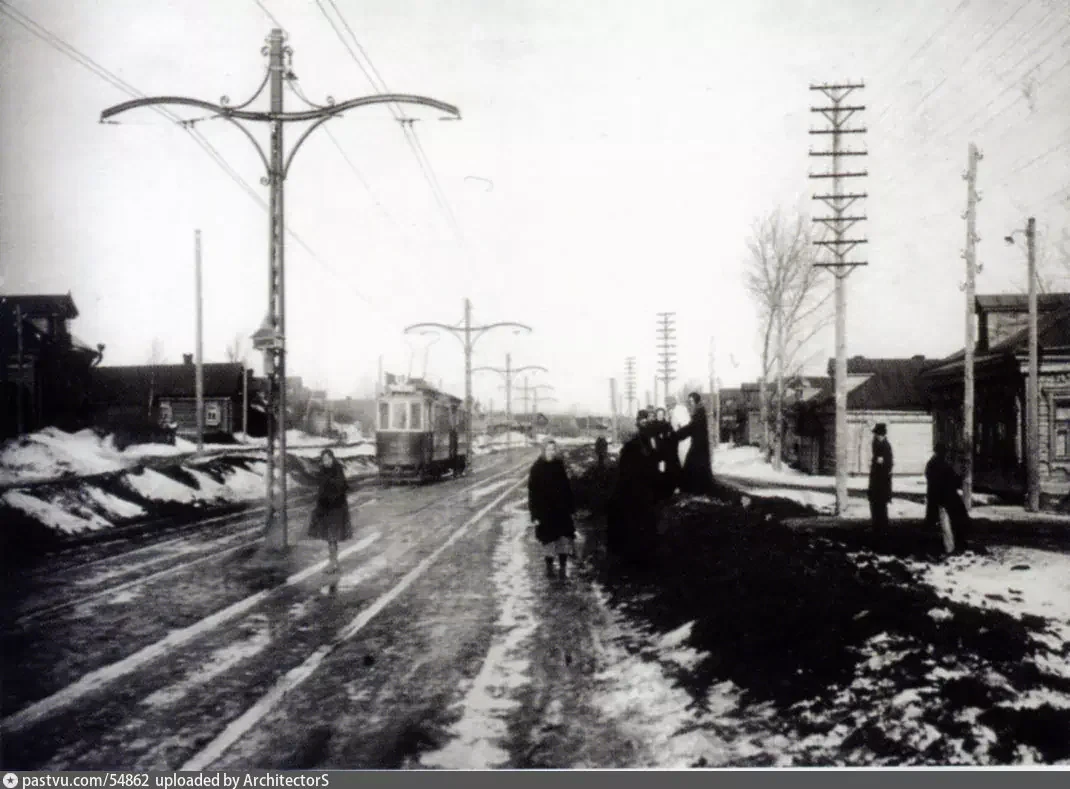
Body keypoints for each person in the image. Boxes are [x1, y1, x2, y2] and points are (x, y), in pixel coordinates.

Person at [607, 411, 660, 565]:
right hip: (634, 489)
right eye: (642, 422)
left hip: (644, 488)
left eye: (646, 422)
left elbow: (654, 461)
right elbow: (625, 469)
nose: (644, 424)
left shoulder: (650, 441)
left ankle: (641, 555)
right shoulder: (633, 445)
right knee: (636, 522)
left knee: (642, 522)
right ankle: (635, 556)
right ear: (638, 424)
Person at [528, 439, 577, 579]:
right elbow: (532, 493)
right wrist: (535, 515)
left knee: (563, 539)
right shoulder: (536, 468)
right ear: (543, 450)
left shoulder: (558, 465)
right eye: (548, 449)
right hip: (545, 512)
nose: (551, 452)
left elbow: (566, 487)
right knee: (548, 540)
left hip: (561, 510)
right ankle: (549, 568)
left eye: (553, 449)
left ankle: (563, 567)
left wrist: (571, 507)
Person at [307, 449, 354, 573]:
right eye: (324, 460)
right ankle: (334, 562)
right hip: (326, 509)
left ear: (332, 458)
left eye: (328, 459)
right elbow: (321, 489)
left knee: (332, 537)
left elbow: (341, 488)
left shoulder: (337, 470)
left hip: (336, 509)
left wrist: (329, 496)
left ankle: (333, 563)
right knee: (330, 538)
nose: (326, 462)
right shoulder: (323, 471)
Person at [925, 442, 972, 554]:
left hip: (937, 498)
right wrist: (961, 477)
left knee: (943, 523)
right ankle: (951, 547)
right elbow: (952, 480)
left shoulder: (932, 463)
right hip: (945, 498)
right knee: (950, 523)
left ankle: (948, 546)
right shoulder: (942, 464)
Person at [673, 392, 715, 496]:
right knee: (697, 466)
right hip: (699, 444)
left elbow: (691, 428)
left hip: (698, 444)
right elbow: (692, 427)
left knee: (692, 464)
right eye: (689, 401)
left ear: (696, 400)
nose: (690, 403)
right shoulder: (699, 411)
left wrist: (677, 435)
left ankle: (691, 489)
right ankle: (698, 489)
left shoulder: (699, 412)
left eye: (691, 401)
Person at [867, 423, 893, 530]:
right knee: (876, 502)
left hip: (881, 480)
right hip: (877, 480)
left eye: (877, 434)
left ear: (881, 434)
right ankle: (877, 525)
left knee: (880, 504)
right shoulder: (878, 444)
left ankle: (881, 526)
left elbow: (885, 464)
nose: (875, 436)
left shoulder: (885, 446)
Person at [654, 407, 680, 500]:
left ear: (664, 415)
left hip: (666, 451)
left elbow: (673, 437)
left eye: (661, 414)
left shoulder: (667, 425)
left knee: (668, 468)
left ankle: (670, 488)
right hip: (656, 450)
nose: (660, 416)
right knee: (657, 469)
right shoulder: (653, 425)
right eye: (658, 415)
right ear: (656, 415)